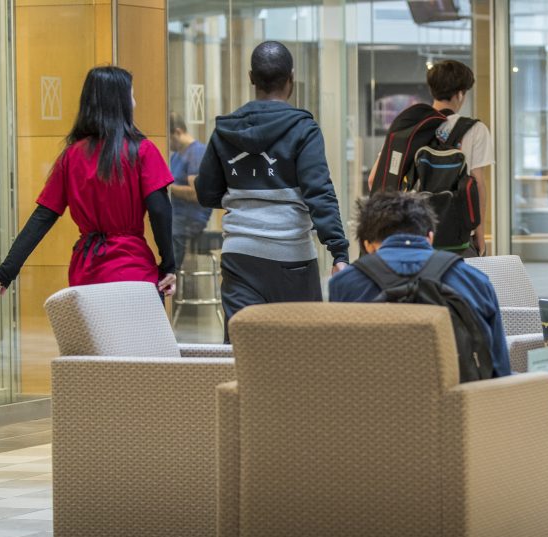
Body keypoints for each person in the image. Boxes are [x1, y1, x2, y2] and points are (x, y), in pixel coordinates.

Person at [196, 40, 349, 340]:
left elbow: (205, 192)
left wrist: (240, 196)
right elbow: (319, 193)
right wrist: (339, 252)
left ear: (251, 78)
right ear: (292, 78)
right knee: (302, 353)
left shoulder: (225, 131)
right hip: (291, 258)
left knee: (242, 353)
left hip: (239, 256)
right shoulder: (303, 129)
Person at [0, 66, 175, 299]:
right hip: (132, 269)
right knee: (137, 336)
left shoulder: (71, 156)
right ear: (120, 102)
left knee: (91, 337)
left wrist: (6, 272)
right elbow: (160, 210)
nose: (134, 103)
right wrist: (169, 265)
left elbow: (42, 217)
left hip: (86, 271)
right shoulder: (143, 150)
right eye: (132, 96)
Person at [329, 192, 510, 378]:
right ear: (430, 238)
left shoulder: (344, 283)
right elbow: (499, 367)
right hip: (458, 402)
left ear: (367, 245)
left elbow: (338, 361)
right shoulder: (474, 280)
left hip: (370, 401)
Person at [368, 60, 492, 257]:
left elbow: (374, 179)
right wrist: (479, 232)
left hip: (414, 235)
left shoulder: (408, 125)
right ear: (460, 93)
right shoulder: (475, 130)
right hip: (457, 239)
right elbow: (477, 183)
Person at [168, 112, 212, 271]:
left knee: (171, 234)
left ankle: (170, 274)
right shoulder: (175, 156)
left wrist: (168, 188)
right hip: (176, 216)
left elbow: (195, 194)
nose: (169, 143)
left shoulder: (196, 153)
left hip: (190, 218)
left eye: (169, 138)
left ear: (178, 132)